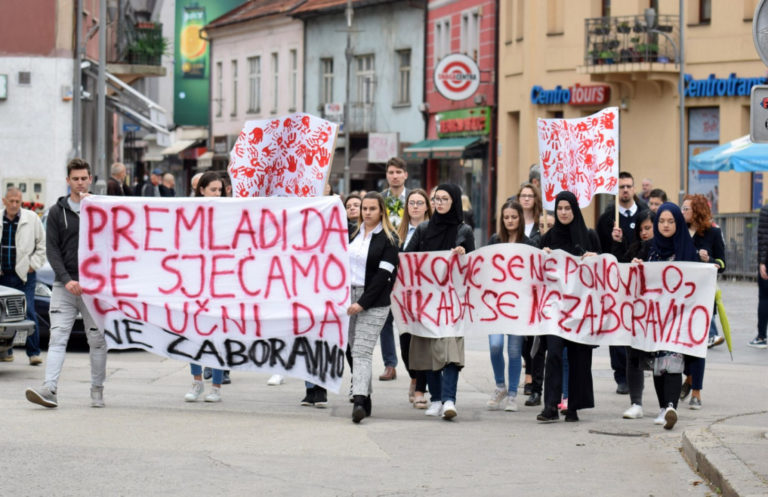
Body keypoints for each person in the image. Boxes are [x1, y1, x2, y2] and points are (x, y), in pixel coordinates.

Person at [25, 159, 108, 409]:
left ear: (90, 179)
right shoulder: (55, 212)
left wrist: (97, 280)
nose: (80, 183)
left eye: (84, 178)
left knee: (97, 340)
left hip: (94, 289)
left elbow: (111, 246)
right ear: (68, 181)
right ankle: (49, 388)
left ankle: (97, 390)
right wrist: (67, 279)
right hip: (65, 287)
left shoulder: (102, 210)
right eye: (75, 178)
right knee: (58, 336)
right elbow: (52, 250)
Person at [404, 184, 474, 420]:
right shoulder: (423, 229)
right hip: (426, 301)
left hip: (452, 301)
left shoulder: (464, 231)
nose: (439, 203)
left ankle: (449, 399)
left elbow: (473, 266)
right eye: (436, 199)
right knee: (428, 351)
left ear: (454, 201)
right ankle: (436, 398)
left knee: (451, 351)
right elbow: (407, 258)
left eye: (444, 199)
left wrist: (464, 253)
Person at [537, 191, 600, 423]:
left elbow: (602, 270)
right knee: (553, 353)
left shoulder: (589, 236)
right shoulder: (548, 238)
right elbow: (536, 273)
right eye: (560, 208)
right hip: (555, 309)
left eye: (567, 208)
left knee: (578, 357)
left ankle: (573, 406)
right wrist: (541, 256)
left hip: (580, 309)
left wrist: (596, 258)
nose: (563, 212)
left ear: (575, 210)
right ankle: (550, 406)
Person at [641, 202, 700, 429]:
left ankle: (671, 406)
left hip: (678, 318)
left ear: (678, 223)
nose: (666, 226)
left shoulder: (687, 250)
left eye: (671, 221)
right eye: (662, 221)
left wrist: (710, 267)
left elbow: (697, 280)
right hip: (655, 318)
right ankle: (662, 407)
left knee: (674, 362)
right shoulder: (650, 249)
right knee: (658, 364)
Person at [347, 192, 400, 423]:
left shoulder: (389, 239)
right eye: (364, 208)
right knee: (352, 349)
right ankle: (366, 396)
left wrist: (363, 303)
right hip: (349, 296)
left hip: (375, 301)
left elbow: (384, 276)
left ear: (381, 212)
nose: (366, 213)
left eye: (371, 209)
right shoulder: (353, 234)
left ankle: (358, 400)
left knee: (361, 350)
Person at [596, 172, 648, 395]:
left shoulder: (646, 215)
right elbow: (600, 249)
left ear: (634, 189)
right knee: (617, 327)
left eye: (628, 186)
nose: (625, 190)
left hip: (640, 280)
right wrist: (613, 242)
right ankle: (621, 375)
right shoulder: (608, 218)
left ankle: (636, 368)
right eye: (621, 187)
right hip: (616, 281)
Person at [486, 200, 536, 412]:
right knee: (495, 345)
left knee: (515, 351)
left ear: (520, 218)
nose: (510, 221)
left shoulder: (529, 243)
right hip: (496, 304)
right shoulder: (494, 240)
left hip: (518, 305)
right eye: (506, 217)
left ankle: (513, 394)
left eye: (514, 217)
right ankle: (500, 386)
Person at [679, 194, 726, 410]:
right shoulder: (678, 232)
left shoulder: (713, 233)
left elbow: (723, 263)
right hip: (680, 298)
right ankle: (688, 376)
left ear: (696, 211)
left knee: (698, 344)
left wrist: (711, 261)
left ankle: (696, 390)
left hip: (703, 299)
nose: (682, 212)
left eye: (686, 209)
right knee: (681, 345)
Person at [184, 172, 227, 403]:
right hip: (194, 284)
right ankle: (197, 381)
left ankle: (216, 386)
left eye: (220, 190)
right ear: (201, 190)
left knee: (217, 337)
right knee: (193, 335)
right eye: (213, 190)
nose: (217, 194)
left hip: (220, 284)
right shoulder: (188, 212)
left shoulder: (227, 215)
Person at [612, 210, 655, 419]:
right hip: (636, 315)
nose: (644, 233)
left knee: (661, 360)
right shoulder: (633, 250)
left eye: (648, 228)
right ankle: (636, 402)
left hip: (657, 315)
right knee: (633, 357)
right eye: (641, 229)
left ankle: (668, 403)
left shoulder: (665, 250)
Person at [0, 187, 46, 364]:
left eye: (17, 202)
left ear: (21, 202)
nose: (13, 205)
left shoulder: (31, 219)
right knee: (4, 315)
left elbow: (42, 245)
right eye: (10, 201)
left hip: (24, 276)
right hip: (3, 276)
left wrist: (33, 265)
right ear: (4, 201)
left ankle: (33, 353)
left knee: (28, 311)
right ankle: (7, 351)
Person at [396, 189, 432, 408]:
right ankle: (414, 375)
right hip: (403, 297)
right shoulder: (397, 233)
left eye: (420, 202)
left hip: (428, 296)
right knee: (405, 344)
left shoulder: (434, 231)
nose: (416, 206)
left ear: (427, 206)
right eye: (412, 203)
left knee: (424, 343)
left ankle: (420, 387)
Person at [378, 157, 409, 381]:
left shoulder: (414, 198)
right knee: (384, 315)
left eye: (398, 172)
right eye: (391, 172)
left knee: (409, 316)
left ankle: (414, 365)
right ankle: (390, 363)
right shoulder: (380, 199)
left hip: (410, 261)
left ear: (405, 175)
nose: (395, 176)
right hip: (385, 261)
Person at [517, 183, 544, 403]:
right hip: (517, 286)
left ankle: (532, 377)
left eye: (530, 196)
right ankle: (528, 374)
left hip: (537, 285)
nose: (526, 199)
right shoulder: (514, 223)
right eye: (522, 196)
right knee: (523, 334)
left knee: (535, 335)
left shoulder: (541, 225)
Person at [753, 202, 768, 348]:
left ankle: (762, 336)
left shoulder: (766, 210)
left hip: (767, 261)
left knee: (764, 298)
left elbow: (764, 238)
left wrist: (762, 262)